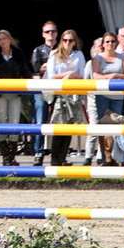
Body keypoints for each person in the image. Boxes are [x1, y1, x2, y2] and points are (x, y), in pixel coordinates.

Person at [0, 30, 33, 166]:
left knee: (14, 122)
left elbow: (25, 70)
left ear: (9, 39)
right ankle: (5, 156)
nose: (2, 42)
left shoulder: (18, 53)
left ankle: (12, 156)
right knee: (1, 122)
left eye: (4, 38)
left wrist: (33, 79)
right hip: (0, 94)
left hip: (15, 93)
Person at [45, 29, 86, 166]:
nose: (67, 43)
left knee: (69, 126)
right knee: (59, 126)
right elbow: (51, 75)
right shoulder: (54, 54)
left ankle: (62, 158)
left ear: (75, 42)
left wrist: (73, 76)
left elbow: (82, 74)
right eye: (65, 40)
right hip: (58, 94)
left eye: (70, 40)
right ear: (61, 41)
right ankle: (54, 158)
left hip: (73, 93)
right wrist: (68, 74)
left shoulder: (79, 54)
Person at [92, 31, 124, 166]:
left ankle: (120, 156)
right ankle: (106, 156)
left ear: (116, 43)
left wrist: (116, 75)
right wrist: (107, 77)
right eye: (107, 41)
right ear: (103, 44)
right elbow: (95, 75)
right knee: (104, 125)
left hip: (118, 96)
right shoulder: (97, 58)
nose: (110, 44)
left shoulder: (122, 58)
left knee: (117, 125)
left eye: (112, 41)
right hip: (103, 96)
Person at [30, 21, 58, 166]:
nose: (50, 34)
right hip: (42, 88)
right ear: (43, 34)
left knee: (59, 122)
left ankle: (58, 154)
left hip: (58, 89)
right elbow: (36, 69)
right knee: (40, 120)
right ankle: (38, 152)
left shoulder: (62, 50)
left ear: (57, 33)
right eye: (47, 32)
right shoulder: (38, 50)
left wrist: (48, 67)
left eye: (53, 31)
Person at [83, 37, 104, 166]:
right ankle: (88, 155)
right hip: (93, 98)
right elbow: (85, 82)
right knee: (93, 127)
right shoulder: (89, 64)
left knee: (105, 128)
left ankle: (101, 155)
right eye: (99, 48)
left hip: (106, 97)